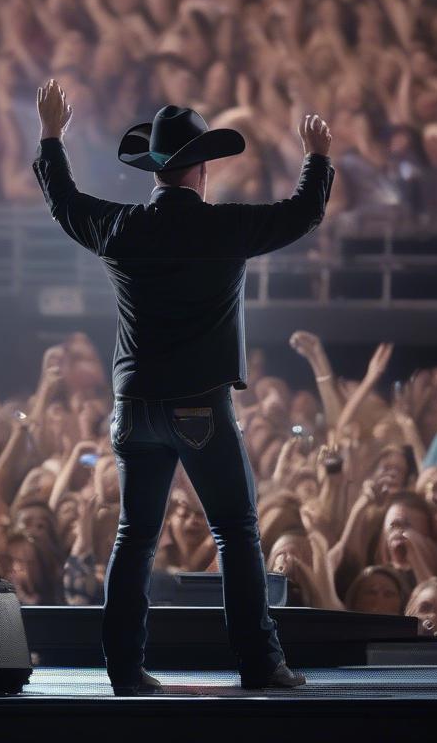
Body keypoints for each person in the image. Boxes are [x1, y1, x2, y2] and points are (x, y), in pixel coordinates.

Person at [32, 78, 334, 694]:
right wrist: (317, 159)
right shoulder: (224, 230)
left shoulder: (121, 229)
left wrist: (50, 136)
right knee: (235, 532)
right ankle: (259, 663)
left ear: (156, 173)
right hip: (200, 404)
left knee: (134, 537)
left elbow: (62, 201)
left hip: (133, 406)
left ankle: (122, 669)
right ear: (201, 171)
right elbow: (303, 214)